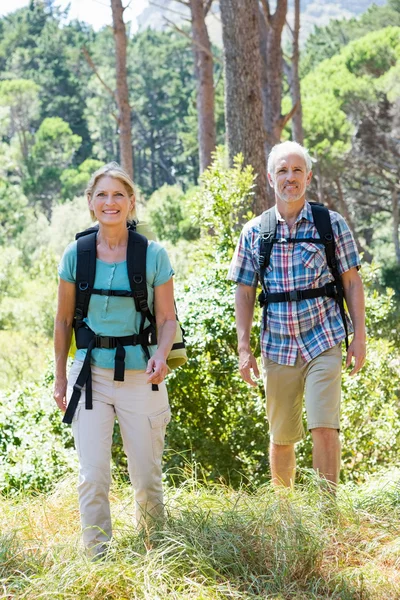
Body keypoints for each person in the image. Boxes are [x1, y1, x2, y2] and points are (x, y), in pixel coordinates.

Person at [53, 162, 176, 557]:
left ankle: (154, 552)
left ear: (131, 202)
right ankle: (97, 558)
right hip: (89, 377)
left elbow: (167, 319)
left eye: (118, 195)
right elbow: (63, 320)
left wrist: (160, 354)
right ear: (90, 202)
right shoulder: (77, 254)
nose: (110, 202)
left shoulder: (153, 254)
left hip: (142, 375)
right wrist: (59, 378)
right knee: (93, 476)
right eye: (102, 195)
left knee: (146, 476)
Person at [228, 141, 366, 489]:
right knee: (282, 436)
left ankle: (325, 514)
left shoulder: (330, 224)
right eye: (282, 171)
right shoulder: (255, 232)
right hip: (277, 346)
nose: (290, 178)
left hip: (324, 338)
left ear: (308, 176)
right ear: (271, 179)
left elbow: (351, 282)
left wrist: (360, 337)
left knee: (324, 426)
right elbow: (244, 292)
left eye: (296, 171)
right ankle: (286, 517)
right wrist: (244, 348)